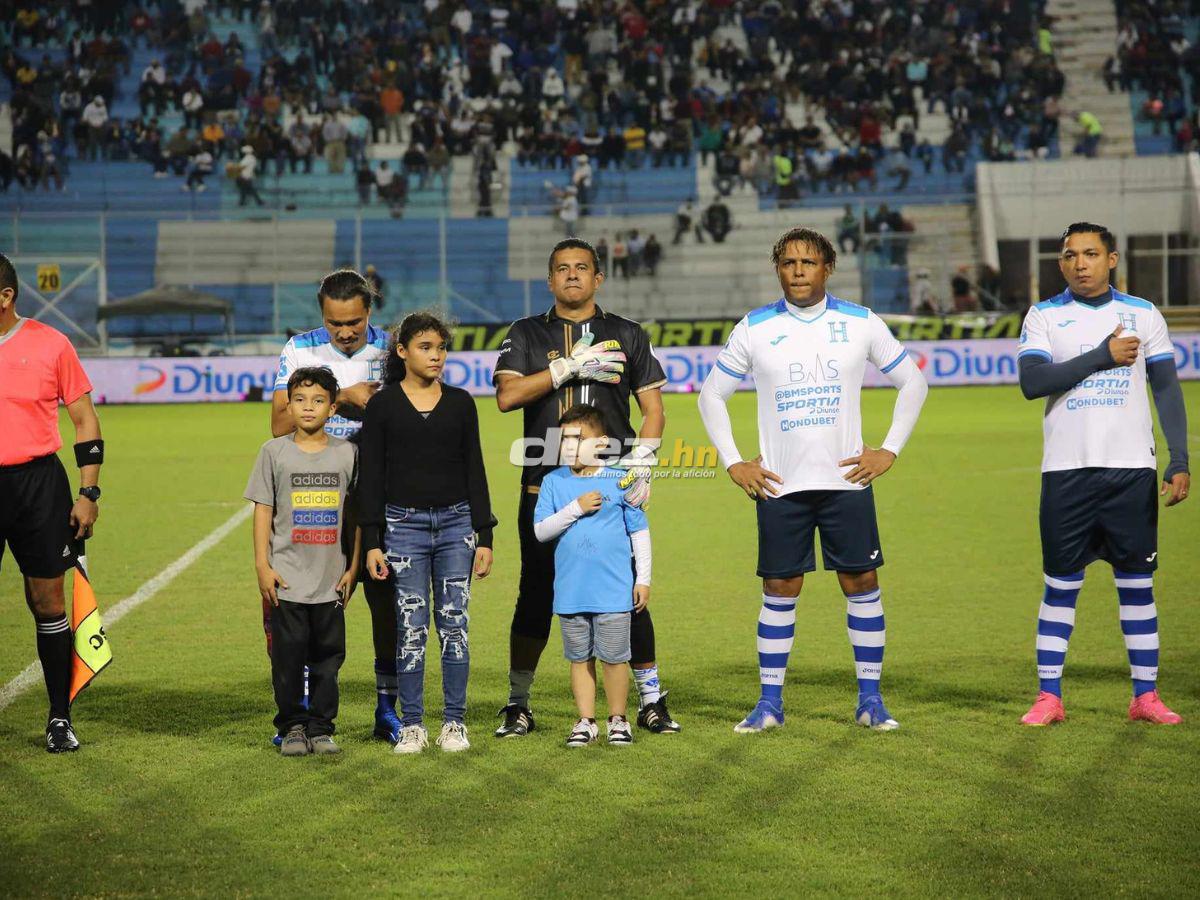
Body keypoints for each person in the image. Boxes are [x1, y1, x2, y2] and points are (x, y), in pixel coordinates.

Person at [698, 228, 928, 733]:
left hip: (847, 482)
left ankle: (871, 701)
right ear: (777, 268)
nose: (798, 270)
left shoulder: (860, 322)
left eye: (808, 261)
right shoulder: (754, 328)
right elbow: (710, 395)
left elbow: (913, 381)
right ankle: (769, 705)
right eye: (788, 262)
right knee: (780, 587)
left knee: (861, 582)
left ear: (828, 267)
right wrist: (735, 461)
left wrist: (888, 450)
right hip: (780, 484)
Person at [492, 238, 680, 738]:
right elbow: (507, 397)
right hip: (544, 487)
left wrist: (641, 465)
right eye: (562, 269)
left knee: (626, 594)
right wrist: (566, 367)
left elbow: (654, 409)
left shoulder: (627, 333)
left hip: (613, 490)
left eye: (582, 268)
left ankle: (650, 700)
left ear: (599, 278)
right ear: (549, 280)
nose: (572, 275)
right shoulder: (526, 333)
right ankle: (519, 703)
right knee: (535, 593)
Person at [1016, 222, 1189, 727]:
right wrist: (1101, 356)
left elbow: (1166, 389)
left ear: (1111, 259)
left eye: (1090, 254)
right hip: (1066, 471)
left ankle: (1146, 696)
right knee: (1060, 585)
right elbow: (1032, 382)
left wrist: (1178, 458)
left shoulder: (1143, 313)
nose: (1079, 263)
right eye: (1069, 255)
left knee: (1137, 585)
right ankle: (1049, 697)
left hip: (1131, 470)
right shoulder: (1043, 316)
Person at [270, 270, 399, 743]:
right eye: (333, 323)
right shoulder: (299, 350)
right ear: (321, 314)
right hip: (315, 496)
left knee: (388, 605)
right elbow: (279, 424)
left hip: (380, 494)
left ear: (370, 311)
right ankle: (300, 715)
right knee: (304, 609)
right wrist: (342, 398)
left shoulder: (392, 348)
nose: (344, 333)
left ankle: (387, 709)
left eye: (354, 323)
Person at [360, 313, 495, 754]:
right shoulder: (382, 405)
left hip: (457, 528)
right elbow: (372, 477)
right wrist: (373, 541)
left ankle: (454, 723)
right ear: (402, 352)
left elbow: (474, 468)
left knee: (454, 626)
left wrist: (484, 536)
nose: (435, 355)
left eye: (440, 347)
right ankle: (413, 724)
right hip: (402, 529)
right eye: (424, 347)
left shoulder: (460, 402)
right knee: (411, 627)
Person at [0, 252, 103, 752]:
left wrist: (88, 492)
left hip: (38, 485)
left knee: (48, 601)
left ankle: (59, 718)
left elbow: (84, 420)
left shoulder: (50, 344)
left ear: (6, 297)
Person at [245, 366, 358, 757]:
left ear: (332, 408)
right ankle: (292, 726)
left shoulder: (348, 453)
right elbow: (262, 510)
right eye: (299, 400)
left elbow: (356, 517)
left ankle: (322, 727)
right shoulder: (272, 452)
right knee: (288, 659)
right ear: (288, 405)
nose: (308, 407)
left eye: (318, 400)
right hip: (287, 579)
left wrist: (353, 566)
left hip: (330, 580)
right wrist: (263, 565)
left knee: (328, 660)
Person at [533, 405, 651, 747]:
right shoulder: (553, 482)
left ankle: (618, 719)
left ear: (600, 444)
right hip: (571, 591)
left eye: (578, 438)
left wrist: (643, 578)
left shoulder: (620, 478)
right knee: (579, 658)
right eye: (564, 439)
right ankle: (586, 721)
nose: (568, 446)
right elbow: (541, 531)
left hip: (614, 590)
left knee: (615, 659)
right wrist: (576, 508)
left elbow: (639, 532)